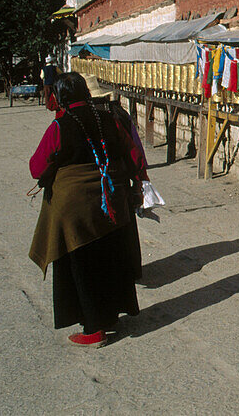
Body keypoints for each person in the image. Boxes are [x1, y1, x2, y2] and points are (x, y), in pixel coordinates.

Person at [28, 72, 143, 347]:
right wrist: (137, 186)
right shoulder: (111, 119)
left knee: (83, 265)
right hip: (112, 201)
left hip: (76, 210)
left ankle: (94, 329)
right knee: (109, 258)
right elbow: (133, 155)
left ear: (61, 96)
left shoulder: (60, 126)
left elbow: (37, 167)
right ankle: (111, 316)